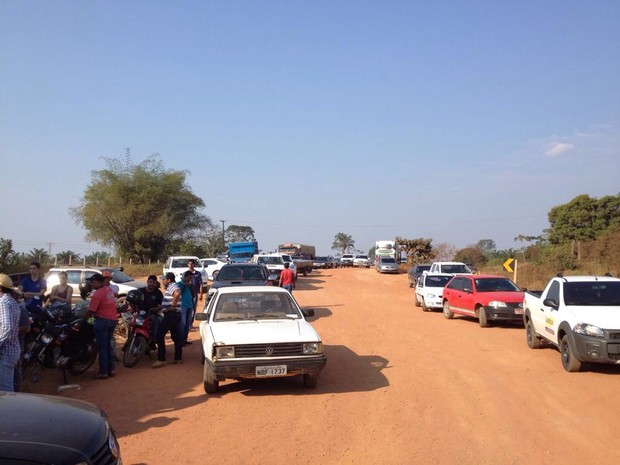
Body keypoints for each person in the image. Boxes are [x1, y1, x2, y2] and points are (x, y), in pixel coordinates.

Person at [83, 273, 117, 379]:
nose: (91, 284)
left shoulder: (97, 294)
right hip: (112, 320)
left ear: (97, 282)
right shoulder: (109, 290)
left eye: (92, 282)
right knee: (108, 346)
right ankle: (111, 369)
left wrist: (83, 321)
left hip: (102, 321)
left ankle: (103, 372)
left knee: (102, 347)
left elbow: (91, 311)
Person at [152, 272, 182, 368]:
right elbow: (170, 299)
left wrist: (172, 306)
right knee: (176, 336)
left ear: (168, 280)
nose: (162, 281)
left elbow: (177, 294)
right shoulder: (172, 286)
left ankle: (161, 359)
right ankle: (178, 358)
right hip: (175, 314)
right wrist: (160, 308)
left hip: (171, 314)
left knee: (159, 335)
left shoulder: (172, 286)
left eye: (164, 279)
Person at [0, 273, 21, 391]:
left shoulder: (2, 302)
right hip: (12, 350)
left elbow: (6, 327)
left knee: (5, 390)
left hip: (6, 352)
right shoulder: (12, 301)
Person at [11, 289, 31, 392]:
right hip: (8, 346)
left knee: (16, 373)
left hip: (16, 345)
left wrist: (10, 330)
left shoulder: (21, 309)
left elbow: (26, 328)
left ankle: (16, 394)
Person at [138, 275, 163, 347]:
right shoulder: (140, 291)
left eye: (154, 282)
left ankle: (153, 340)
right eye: (150, 282)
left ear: (156, 283)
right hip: (140, 313)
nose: (152, 284)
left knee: (156, 322)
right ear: (147, 282)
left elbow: (162, 305)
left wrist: (155, 309)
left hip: (152, 314)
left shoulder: (158, 293)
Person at [177, 270, 194, 346]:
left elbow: (193, 294)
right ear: (185, 276)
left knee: (188, 324)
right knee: (182, 324)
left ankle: (184, 339)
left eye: (191, 278)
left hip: (189, 305)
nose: (190, 279)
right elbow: (179, 293)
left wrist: (190, 287)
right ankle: (180, 340)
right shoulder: (179, 284)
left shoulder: (190, 284)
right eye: (189, 278)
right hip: (182, 306)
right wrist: (185, 285)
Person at [186, 259, 203, 331]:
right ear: (187, 265)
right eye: (189, 264)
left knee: (193, 309)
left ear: (194, 265)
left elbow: (201, 284)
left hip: (194, 294)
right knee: (187, 309)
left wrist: (201, 294)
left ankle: (190, 324)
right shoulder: (185, 274)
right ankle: (187, 324)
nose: (191, 265)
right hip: (187, 295)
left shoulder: (198, 273)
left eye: (192, 264)